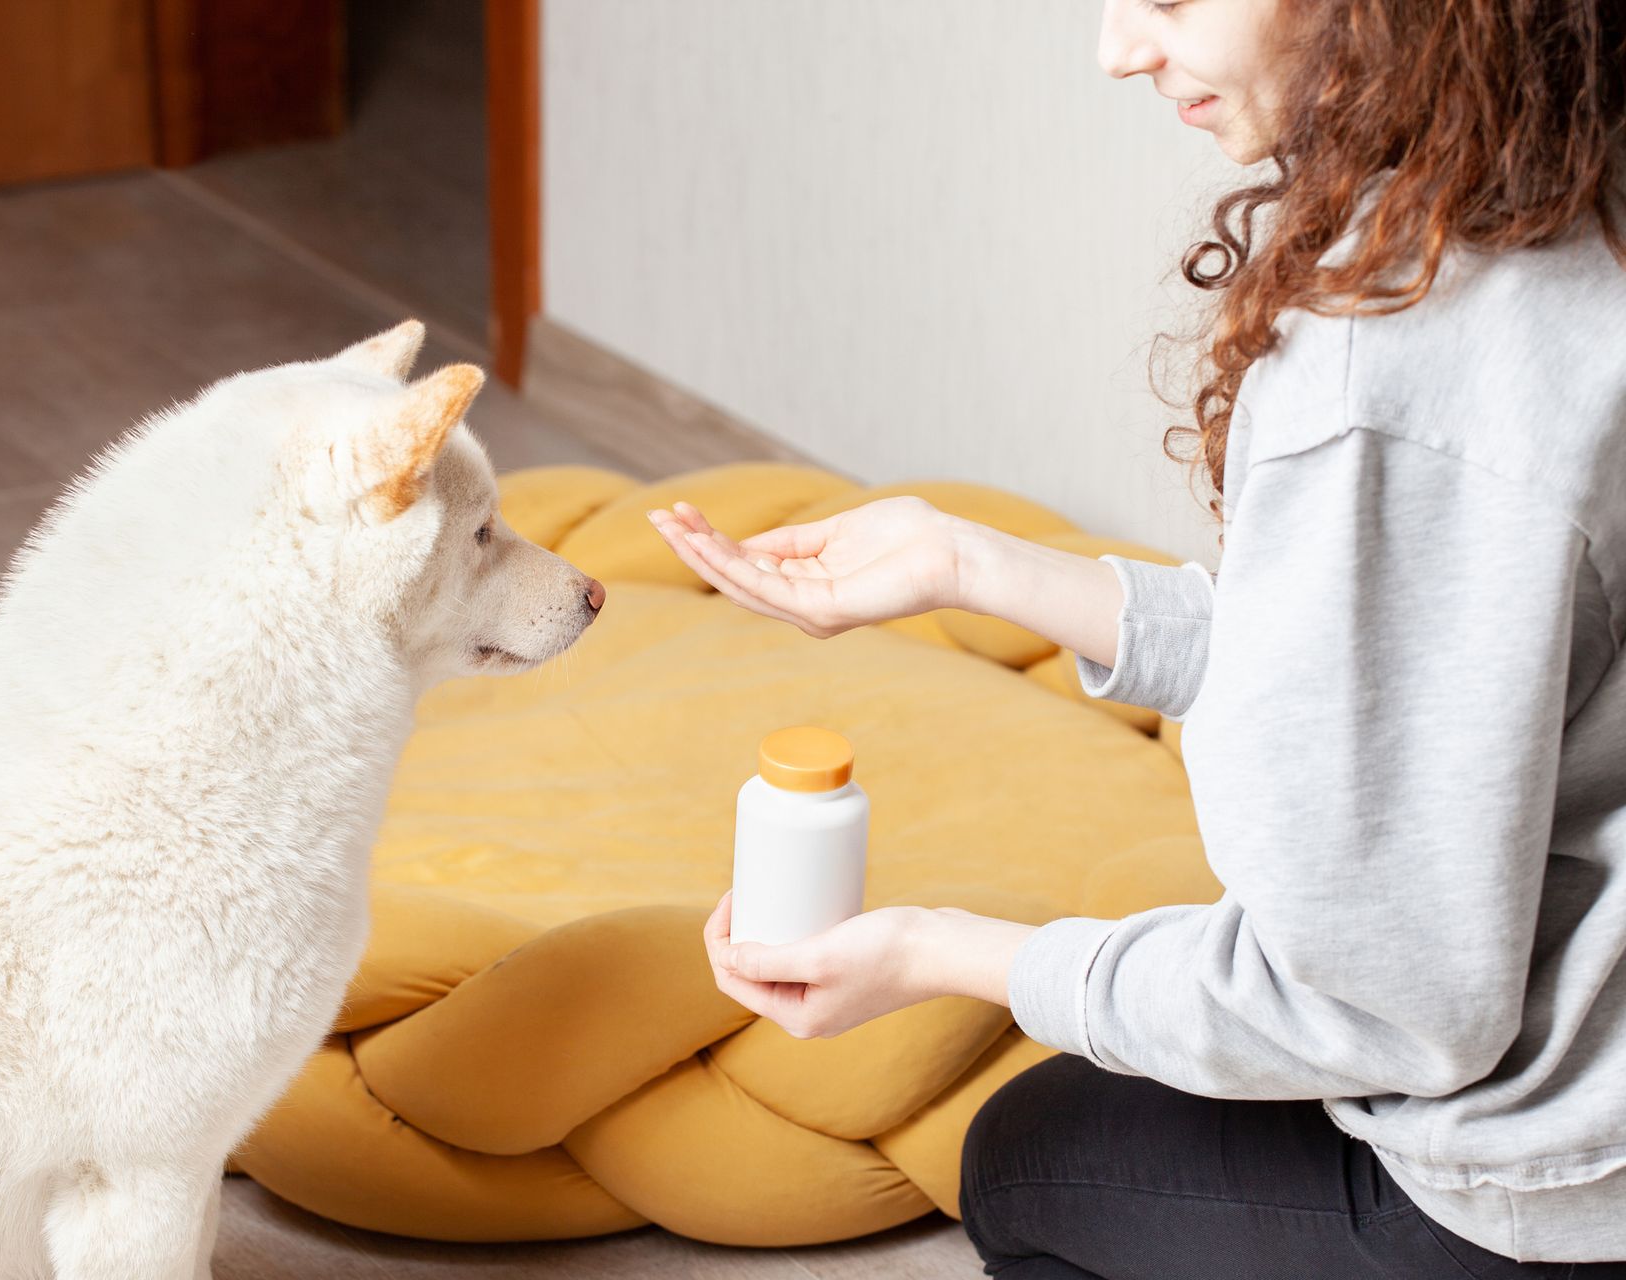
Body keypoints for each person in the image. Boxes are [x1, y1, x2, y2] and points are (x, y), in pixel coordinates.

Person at [648, 0, 1626, 1275]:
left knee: (1028, 1162)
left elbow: (1378, 1006)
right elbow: (1398, 663)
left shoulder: (1394, 369)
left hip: (1563, 1185)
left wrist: (938, 950)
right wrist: (967, 563)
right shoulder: (1570, 193)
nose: (1117, 47)